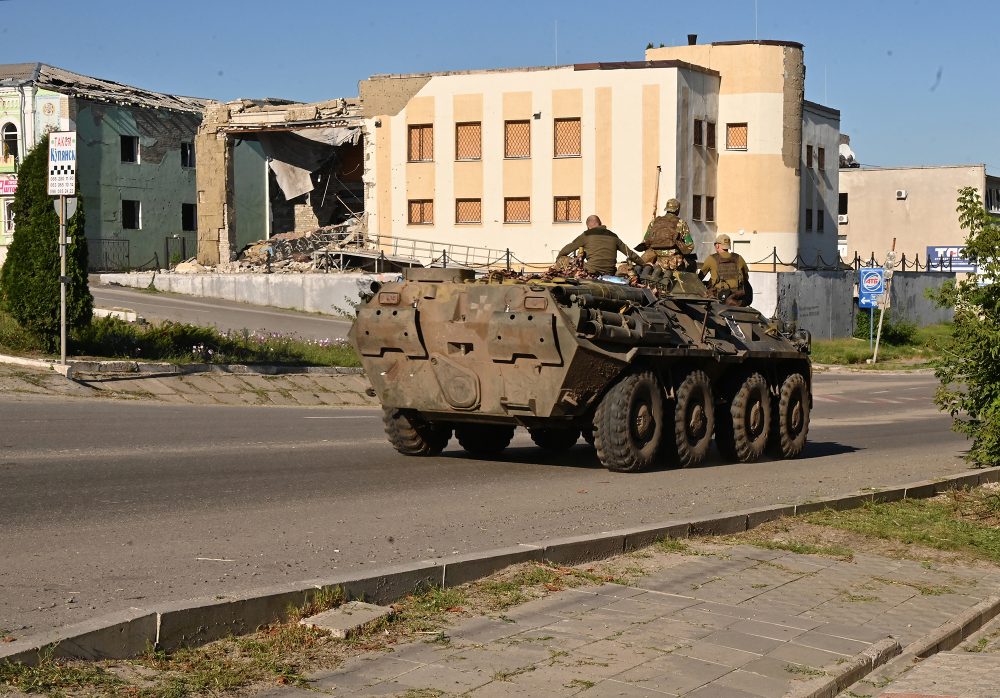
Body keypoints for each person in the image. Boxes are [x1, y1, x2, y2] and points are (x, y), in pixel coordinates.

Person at [556, 215, 642, 276]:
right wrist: (644, 264)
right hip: (610, 272)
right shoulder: (613, 236)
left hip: (590, 271)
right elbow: (630, 253)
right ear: (600, 223)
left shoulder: (586, 235)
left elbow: (567, 249)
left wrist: (558, 259)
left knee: (563, 258)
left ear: (588, 227)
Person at [636, 198, 695, 273]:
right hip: (672, 262)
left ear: (667, 209)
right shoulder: (681, 223)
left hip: (653, 259)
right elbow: (690, 245)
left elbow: (645, 241)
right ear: (677, 209)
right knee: (692, 264)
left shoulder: (654, 221)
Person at [699, 233, 751, 306]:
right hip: (735, 299)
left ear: (717, 245)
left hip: (718, 299)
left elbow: (699, 278)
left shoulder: (711, 259)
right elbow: (746, 278)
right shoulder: (739, 258)